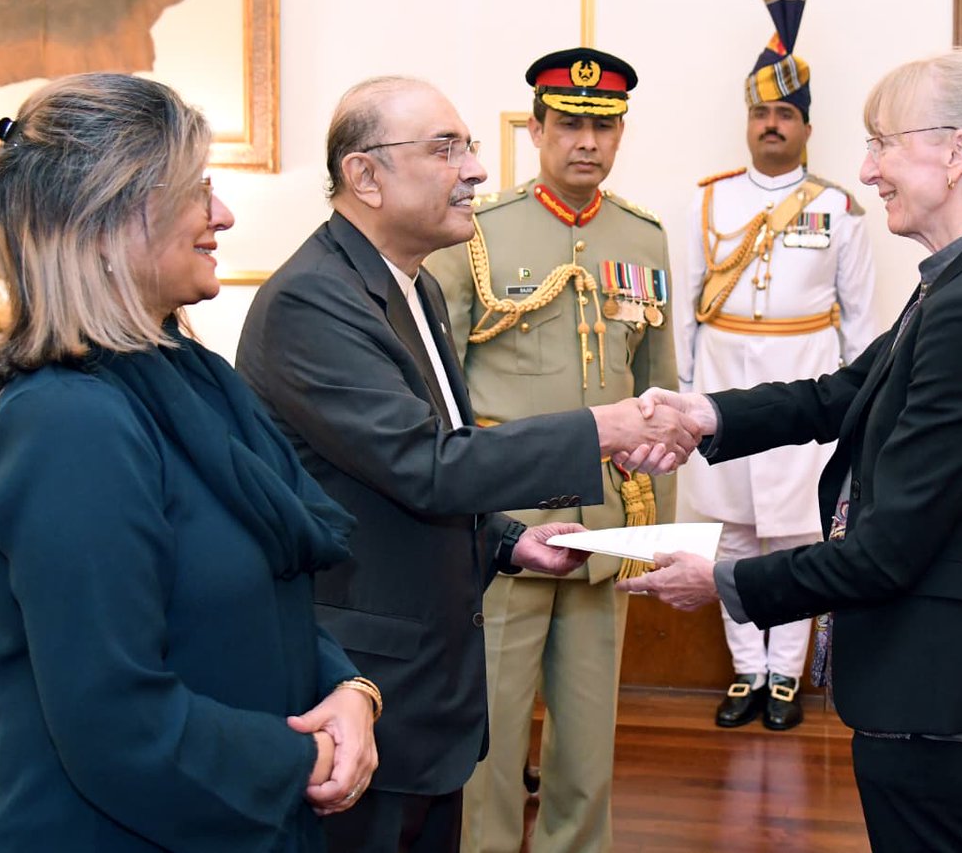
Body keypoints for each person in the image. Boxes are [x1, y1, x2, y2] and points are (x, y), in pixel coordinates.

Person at [620, 48, 962, 852]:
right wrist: (702, 414)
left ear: (956, 151)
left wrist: (725, 580)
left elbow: (887, 551)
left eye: (882, 143)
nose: (867, 169)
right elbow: (838, 394)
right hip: (940, 681)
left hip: (942, 686)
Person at [236, 76, 700, 853]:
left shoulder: (409, 285)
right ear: (366, 175)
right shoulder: (315, 301)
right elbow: (425, 464)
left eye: (470, 147)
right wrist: (604, 427)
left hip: (422, 683)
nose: (476, 169)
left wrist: (507, 540)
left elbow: (415, 454)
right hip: (362, 684)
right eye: (445, 148)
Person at [0, 72, 379, 853]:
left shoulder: (190, 376)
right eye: (197, 191)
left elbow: (264, 593)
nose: (221, 214)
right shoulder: (67, 425)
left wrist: (348, 691)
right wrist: (304, 755)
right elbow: (114, 721)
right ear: (109, 222)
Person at [424, 46, 676, 853]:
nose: (586, 144)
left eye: (603, 128)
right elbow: (439, 391)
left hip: (605, 519)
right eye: (568, 123)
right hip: (505, 520)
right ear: (534, 128)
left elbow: (657, 394)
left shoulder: (643, 240)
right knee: (490, 733)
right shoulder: (476, 236)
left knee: (589, 732)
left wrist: (652, 534)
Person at [676, 0, 876, 732]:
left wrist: (859, 410)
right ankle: (746, 671)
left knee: (795, 534)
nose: (770, 124)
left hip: (808, 383)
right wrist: (687, 399)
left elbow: (859, 322)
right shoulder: (708, 203)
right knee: (730, 532)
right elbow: (685, 318)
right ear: (747, 120)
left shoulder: (838, 210)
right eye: (760, 112)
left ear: (806, 125)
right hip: (725, 379)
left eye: (784, 113)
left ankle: (786, 676)